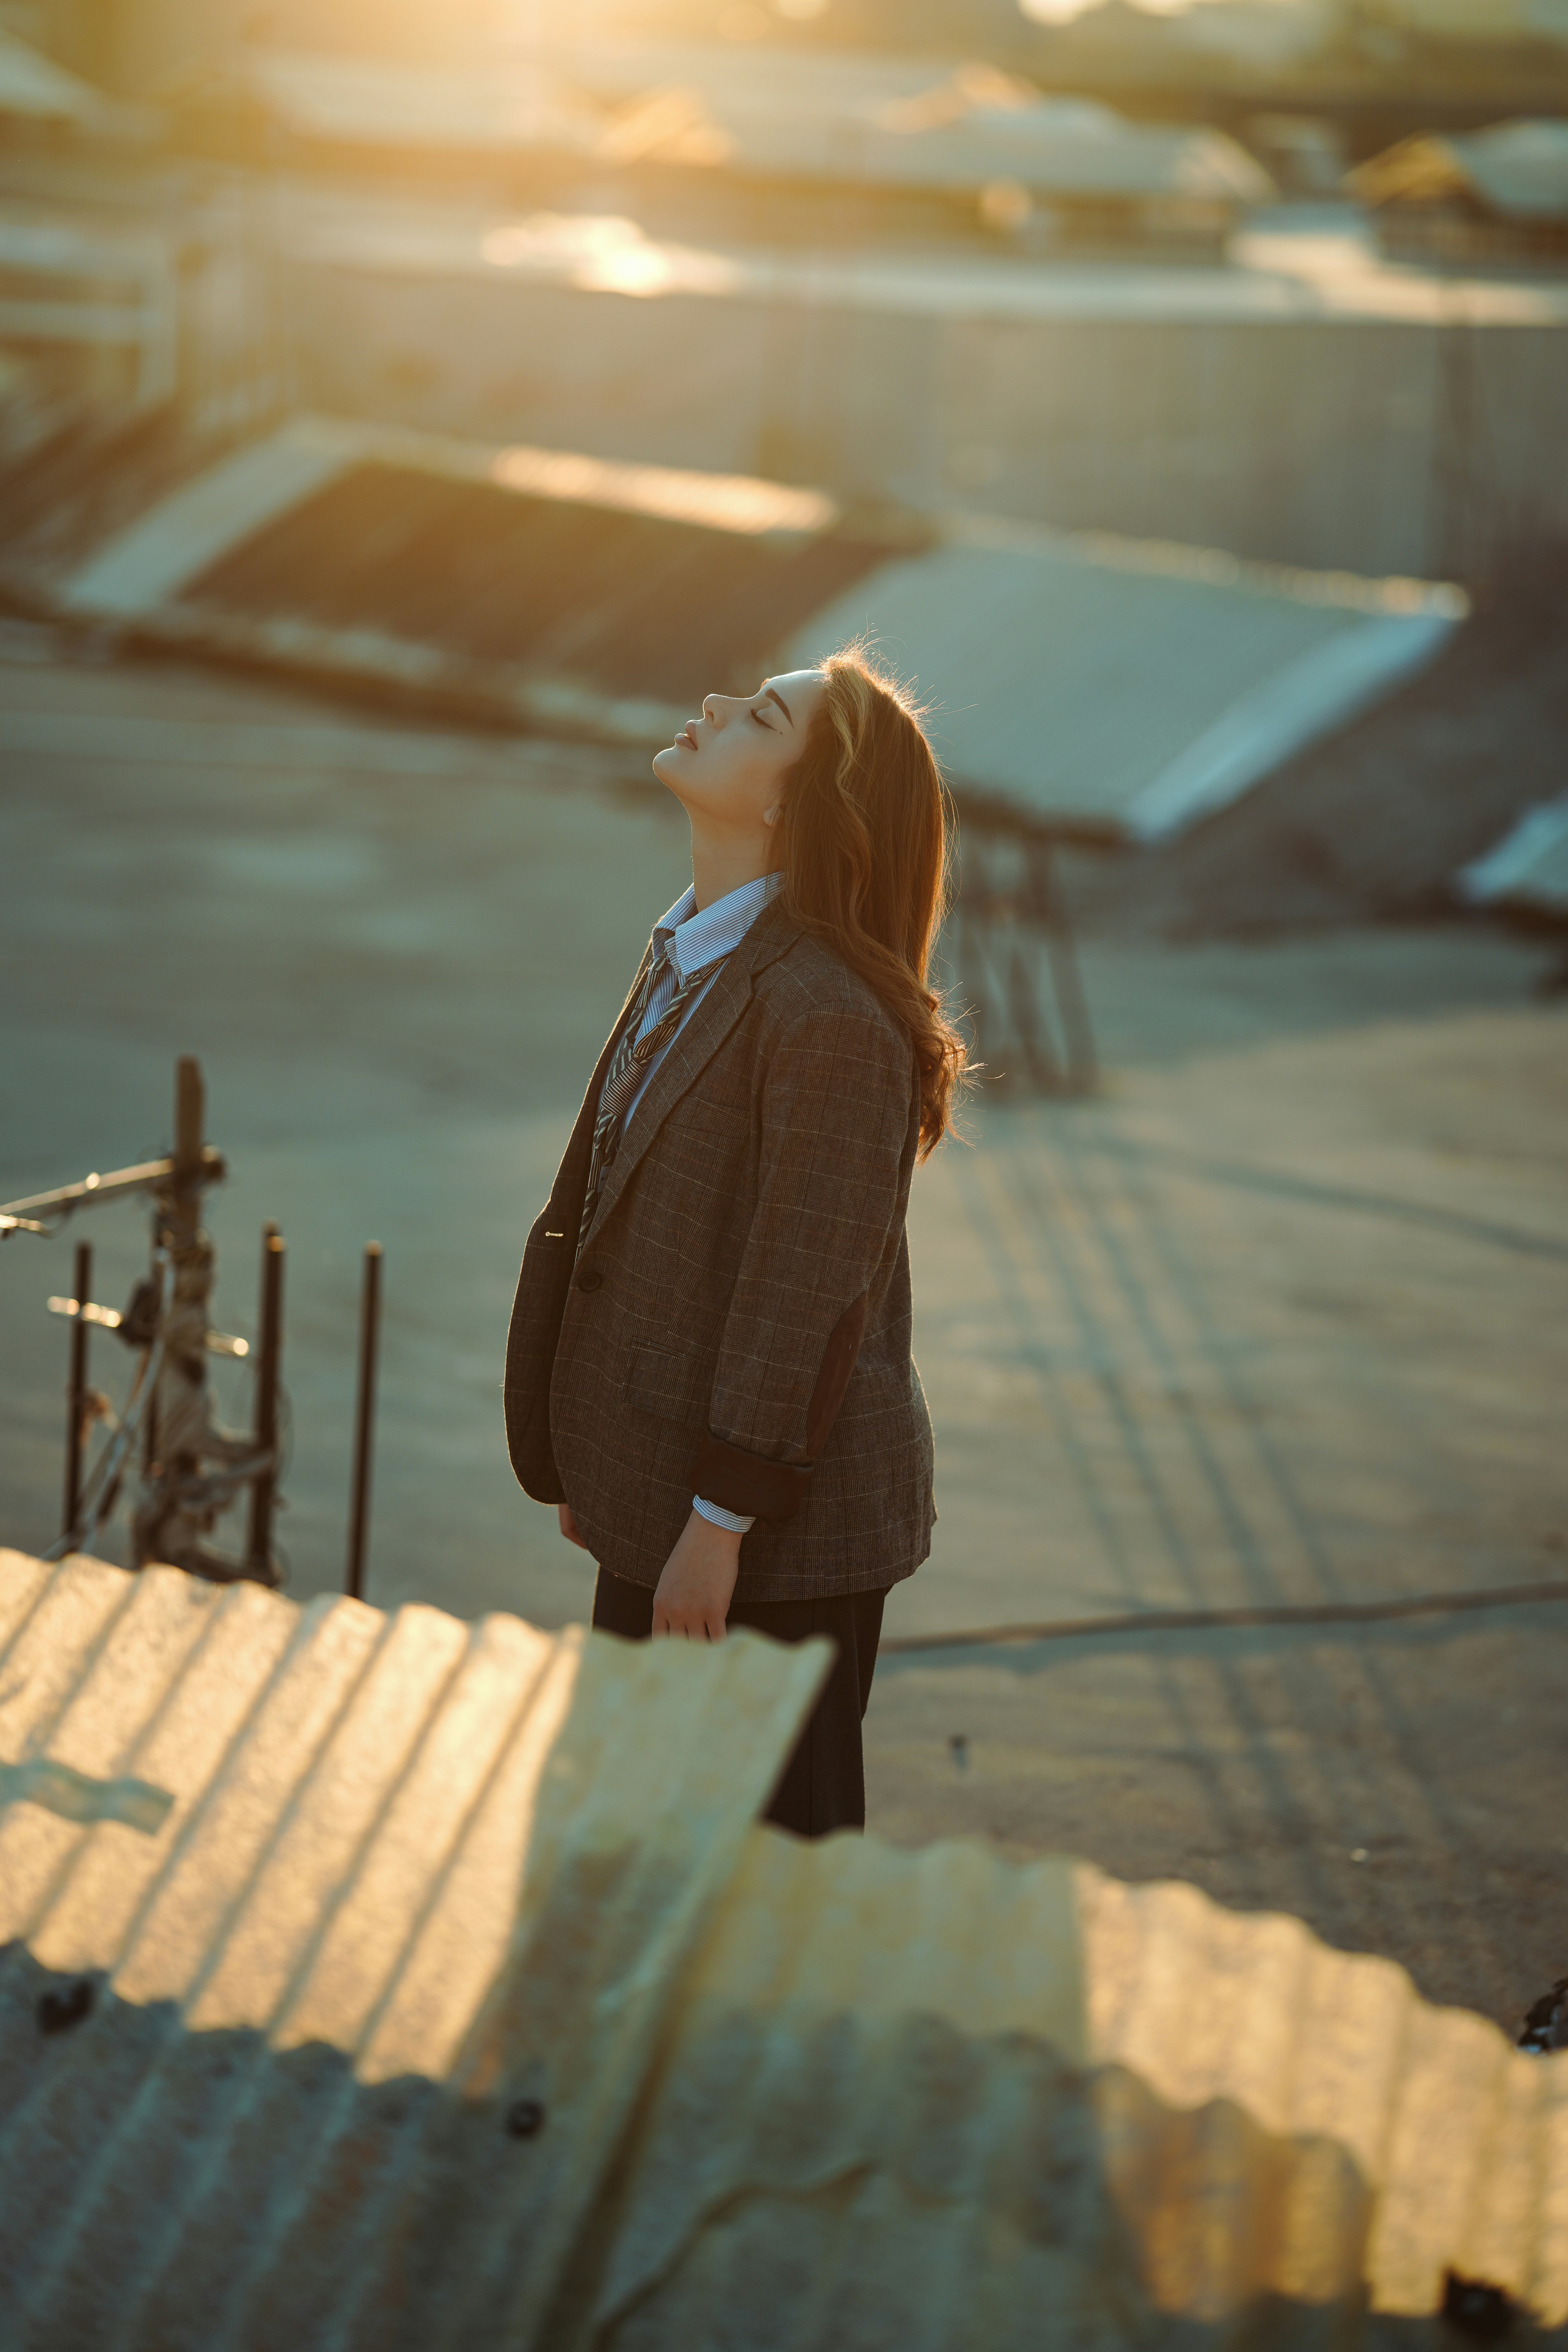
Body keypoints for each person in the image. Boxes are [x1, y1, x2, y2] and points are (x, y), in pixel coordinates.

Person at [503, 646, 966, 1838]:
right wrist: (594, 1451)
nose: (711, 703)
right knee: (642, 1862)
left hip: (772, 1541)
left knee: (763, 1893)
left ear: (794, 806)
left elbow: (798, 1292)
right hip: (672, 1493)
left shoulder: (829, 1017)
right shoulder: (697, 952)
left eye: (761, 715)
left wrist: (716, 1525)